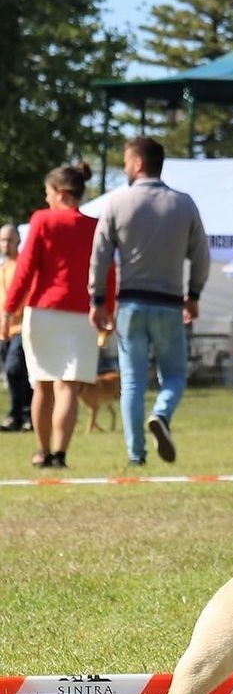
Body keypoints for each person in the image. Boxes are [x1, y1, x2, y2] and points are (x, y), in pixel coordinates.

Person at [88, 136, 210, 466]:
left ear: (138, 164)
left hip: (129, 304)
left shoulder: (116, 203)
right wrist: (194, 294)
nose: (125, 168)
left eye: (126, 162)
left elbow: (100, 255)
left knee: (131, 382)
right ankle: (162, 414)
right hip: (169, 303)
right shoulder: (184, 204)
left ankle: (135, 454)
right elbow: (201, 255)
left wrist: (97, 299)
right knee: (173, 375)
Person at [0, 165, 111, 468]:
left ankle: (41, 450)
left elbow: (25, 271)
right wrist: (107, 308)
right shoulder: (95, 227)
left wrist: (8, 310)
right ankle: (60, 455)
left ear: (61, 193)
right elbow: (107, 270)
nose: (46, 199)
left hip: (43, 313)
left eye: (48, 193)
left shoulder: (42, 220)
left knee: (42, 386)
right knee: (68, 389)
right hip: (82, 316)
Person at [0, 224, 33, 431]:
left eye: (9, 240)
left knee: (15, 370)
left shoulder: (24, 265)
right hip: (3, 330)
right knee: (12, 373)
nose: (5, 244)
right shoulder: (2, 268)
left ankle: (21, 413)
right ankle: (21, 417)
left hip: (21, 326)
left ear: (18, 241)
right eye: (2, 240)